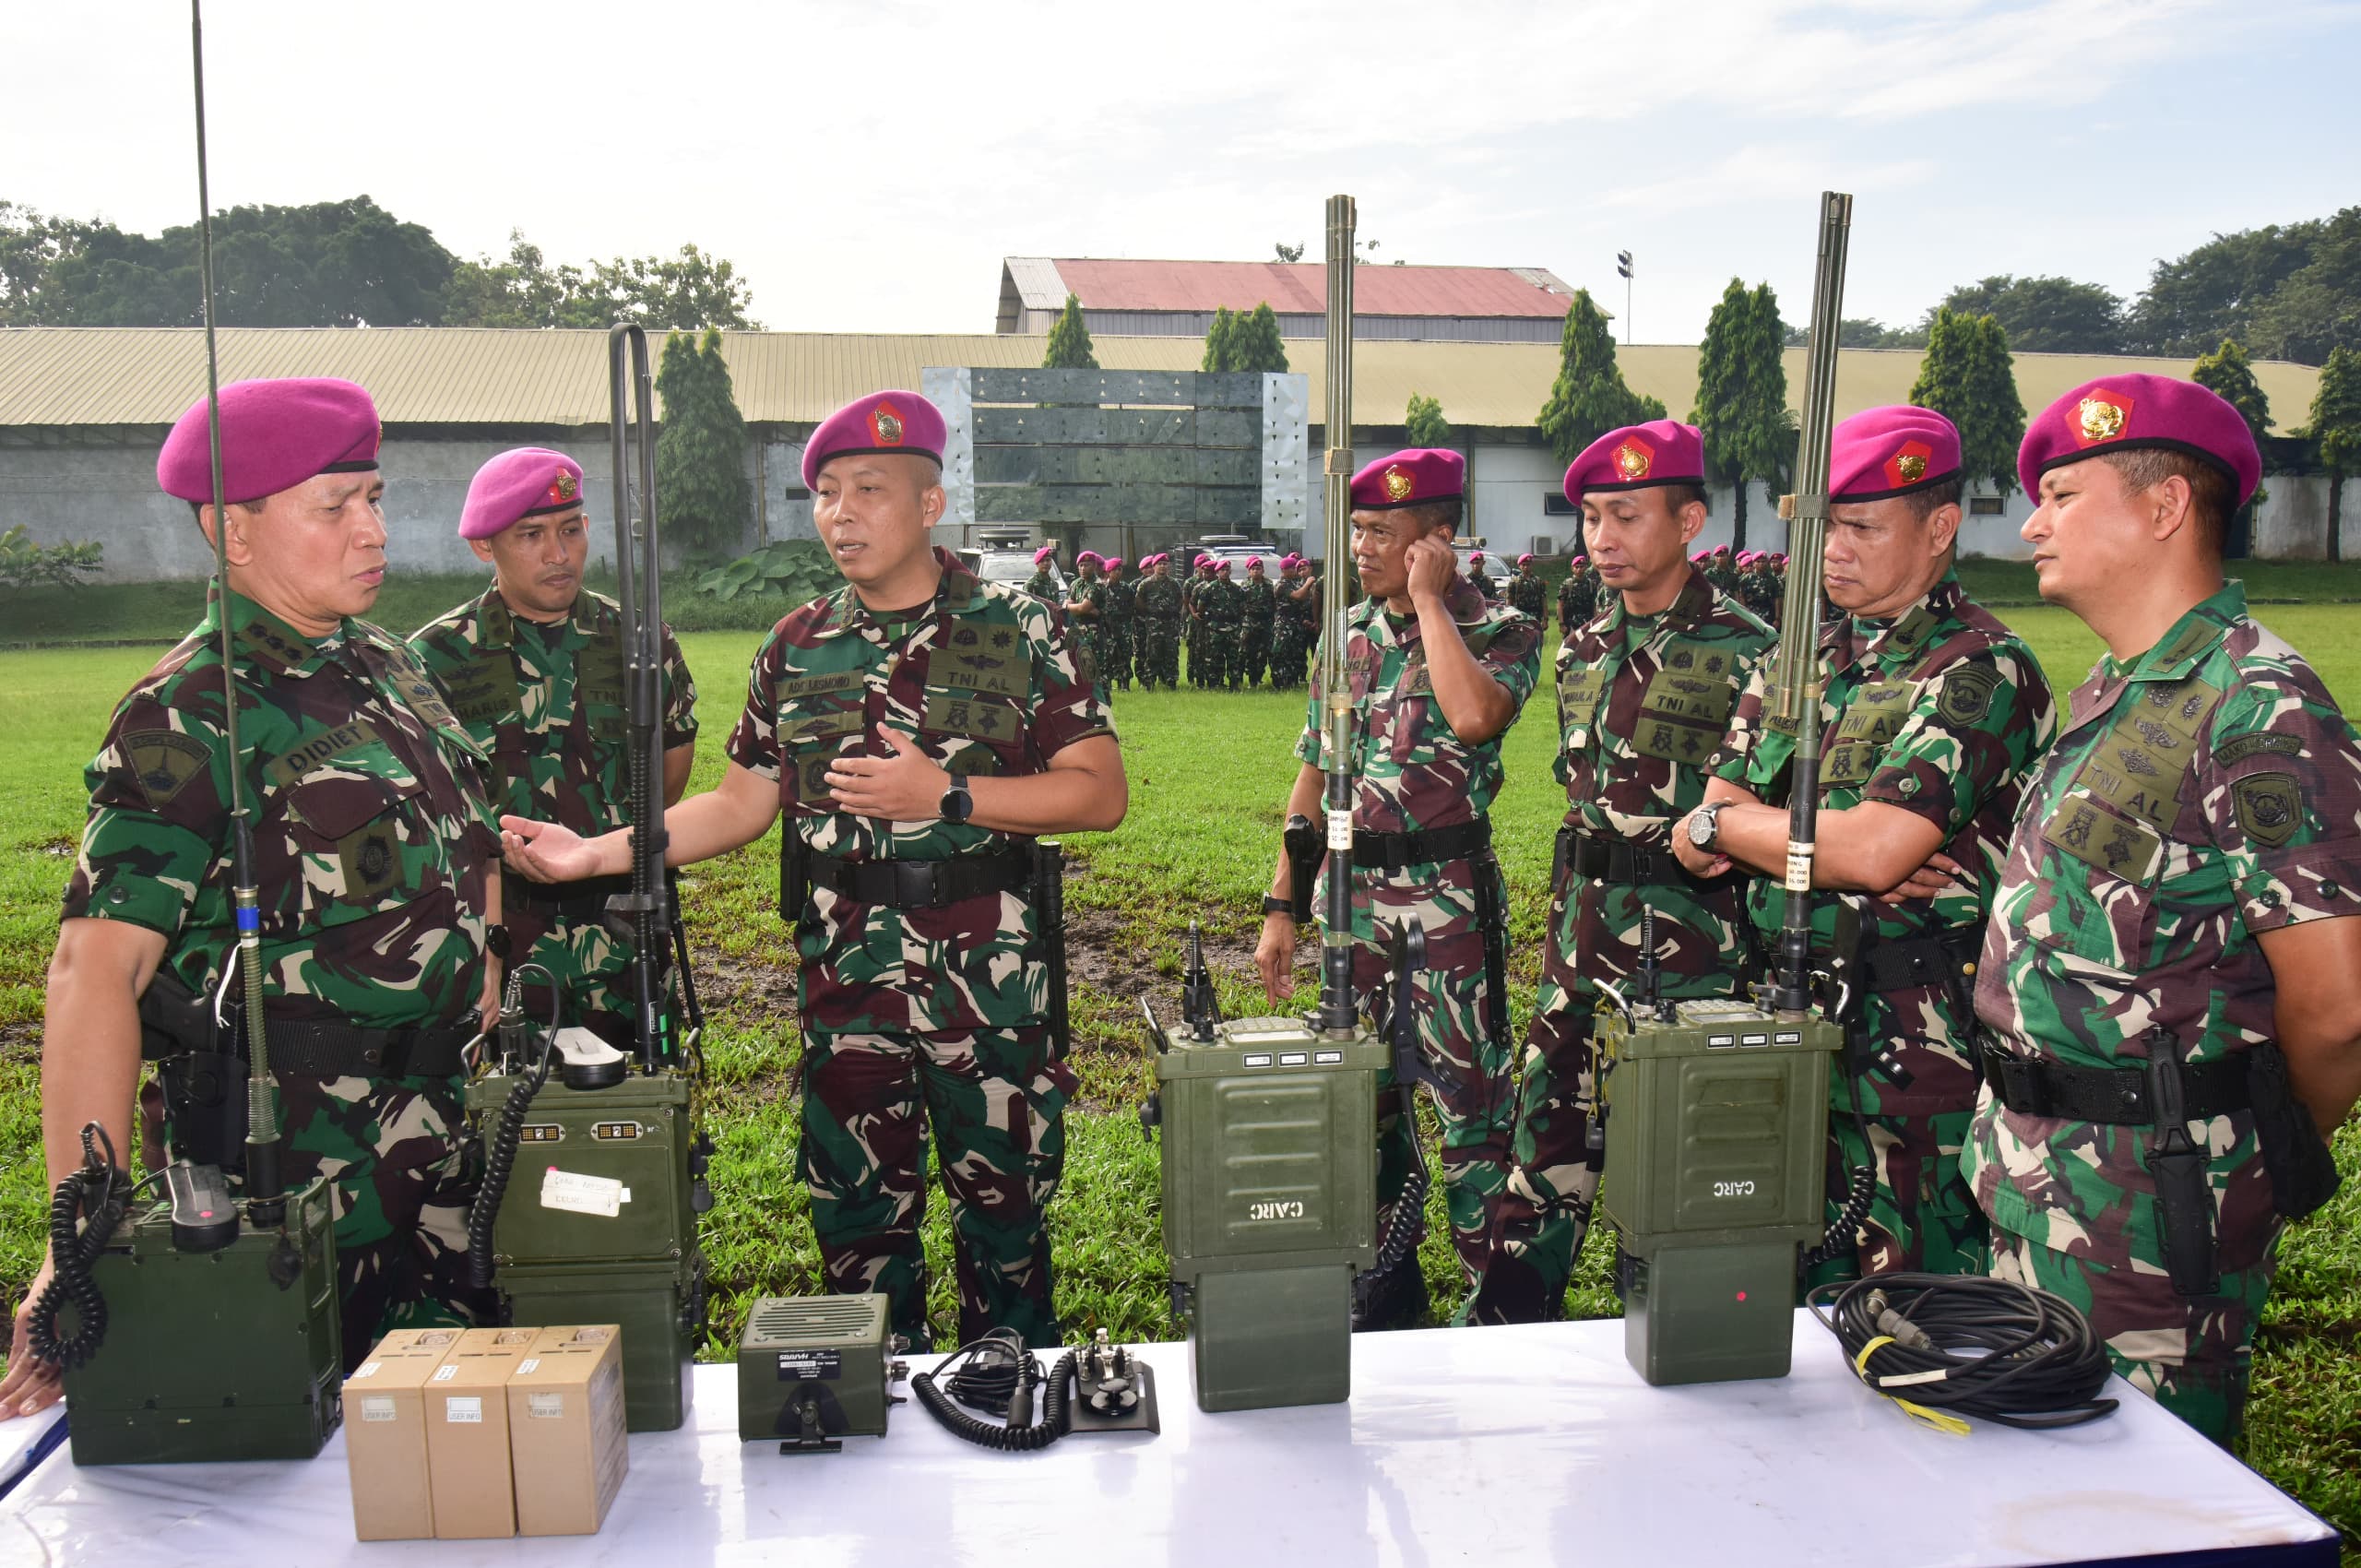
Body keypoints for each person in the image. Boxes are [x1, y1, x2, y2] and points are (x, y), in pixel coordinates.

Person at [502, 390, 1127, 1354]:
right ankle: (877, 1407)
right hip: (847, 985)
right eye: (826, 493)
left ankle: (1007, 1403)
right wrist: (595, 851)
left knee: (1006, 1224)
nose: (841, 514)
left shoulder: (1020, 625)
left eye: (868, 489)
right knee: (857, 1228)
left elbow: (1098, 792)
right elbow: (737, 804)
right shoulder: (795, 643)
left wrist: (946, 795)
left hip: (990, 988)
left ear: (929, 503)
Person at [0, 379, 502, 1419]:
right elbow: (96, 970)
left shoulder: (387, 665)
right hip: (302, 1172)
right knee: (293, 1452)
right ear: (233, 530)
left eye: (375, 497)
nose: (374, 529)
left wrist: (485, 950)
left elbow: (464, 834)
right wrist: (76, 1235)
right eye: (336, 506)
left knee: (445, 1441)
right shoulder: (189, 711)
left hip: (444, 1138)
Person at [1966, 374, 2361, 1444]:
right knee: (2040, 1484)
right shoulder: (2124, 688)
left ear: (2164, 506)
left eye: (2061, 495)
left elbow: (2335, 1009)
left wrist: (2253, 1153)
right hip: (2036, 1180)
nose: (2033, 523)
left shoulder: (2256, 703)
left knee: (2136, 1494)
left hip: (2147, 1213)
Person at [1677, 406, 2057, 1284]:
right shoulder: (1798, 661)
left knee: (1915, 1298)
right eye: (1826, 529)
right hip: (1785, 1012)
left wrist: (1742, 829)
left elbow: (1871, 854)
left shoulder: (1978, 667)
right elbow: (1703, 838)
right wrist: (1774, 835)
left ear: (1940, 528)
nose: (1834, 552)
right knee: (1789, 1284)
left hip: (1916, 1043)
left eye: (1862, 528)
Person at [1471, 421, 1774, 1322]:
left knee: (1680, 1171)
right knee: (1540, 1157)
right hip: (1580, 946)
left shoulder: (1754, 649)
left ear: (1688, 521)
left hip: (1694, 954)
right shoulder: (1585, 646)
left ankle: (1680, 1340)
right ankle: (1507, 1332)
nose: (1602, 537)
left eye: (1627, 516)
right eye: (1593, 516)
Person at [1253, 447, 1540, 1328]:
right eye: (1357, 530)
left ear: (1438, 538)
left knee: (1472, 1119)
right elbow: (1313, 774)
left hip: (1447, 911)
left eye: (1383, 532)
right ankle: (1381, 1296)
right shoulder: (1343, 634)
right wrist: (1282, 905)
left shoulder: (1502, 628)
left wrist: (1428, 602)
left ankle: (1492, 1313)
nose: (1362, 547)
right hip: (1351, 912)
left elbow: (1476, 717)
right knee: (1363, 1111)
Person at [408, 447, 697, 1043]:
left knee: (641, 1092)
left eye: (570, 530)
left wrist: (606, 848)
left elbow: (669, 776)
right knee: (508, 1093)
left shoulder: (640, 642)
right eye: (531, 535)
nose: (558, 554)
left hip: (626, 932)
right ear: (484, 545)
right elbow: (435, 818)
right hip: (502, 938)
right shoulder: (435, 657)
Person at [1063, 551, 1109, 704]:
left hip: (1093, 633)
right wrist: (1076, 607)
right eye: (1081, 565)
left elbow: (1083, 607)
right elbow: (1067, 602)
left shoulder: (1097, 586)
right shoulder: (1076, 583)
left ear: (1094, 566)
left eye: (1087, 565)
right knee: (1077, 667)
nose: (1083, 568)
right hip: (1076, 631)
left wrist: (1073, 607)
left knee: (1094, 668)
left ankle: (1102, 701)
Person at [1135, 553, 1182, 689]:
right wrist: (1149, 612)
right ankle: (1150, 681)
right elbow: (1138, 601)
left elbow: (1180, 599)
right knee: (1153, 653)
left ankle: (1171, 681)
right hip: (1154, 625)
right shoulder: (1146, 584)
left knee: (1171, 653)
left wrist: (1174, 610)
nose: (1162, 566)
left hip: (1170, 624)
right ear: (1154, 566)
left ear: (1168, 566)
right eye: (1159, 564)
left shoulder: (1174, 583)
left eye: (1165, 564)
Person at [1204, 558, 1245, 689]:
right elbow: (1201, 606)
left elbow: (1242, 607)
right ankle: (1215, 684)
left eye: (1227, 570)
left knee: (1233, 657)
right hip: (1216, 628)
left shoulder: (1236, 589)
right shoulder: (1210, 588)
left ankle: (1234, 684)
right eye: (1222, 570)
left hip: (1233, 628)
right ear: (1217, 572)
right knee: (1215, 657)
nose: (1225, 572)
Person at [1239, 555, 1277, 689]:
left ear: (1263, 570)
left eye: (1258, 568)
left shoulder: (1269, 585)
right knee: (1248, 652)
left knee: (1264, 652)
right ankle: (1250, 680)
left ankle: (1258, 677)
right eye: (1253, 569)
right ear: (1249, 571)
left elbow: (1274, 603)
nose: (1256, 571)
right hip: (1250, 623)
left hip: (1266, 623)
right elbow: (1240, 604)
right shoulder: (1244, 585)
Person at [1103, 556, 1136, 693]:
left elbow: (1132, 605)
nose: (1118, 572)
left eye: (1120, 569)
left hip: (1123, 627)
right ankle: (1108, 683)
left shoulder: (1126, 588)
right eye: (1115, 570)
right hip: (1107, 627)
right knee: (1108, 655)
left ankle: (1125, 683)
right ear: (1109, 572)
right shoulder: (1102, 588)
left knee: (1125, 654)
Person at [1557, 553, 1596, 644]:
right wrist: (1561, 623)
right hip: (1570, 623)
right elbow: (1560, 605)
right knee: (1569, 647)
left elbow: (1594, 604)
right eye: (1576, 567)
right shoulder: (1567, 584)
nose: (1579, 569)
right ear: (1572, 569)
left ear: (1586, 567)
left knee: (1586, 646)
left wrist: (1595, 621)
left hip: (1587, 622)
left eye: (1581, 567)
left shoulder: (1591, 584)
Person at [1508, 552, 1548, 622]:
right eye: (1523, 565)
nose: (1526, 567)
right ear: (1519, 566)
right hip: (1519, 617)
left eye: (1528, 565)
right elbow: (1509, 601)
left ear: (1532, 565)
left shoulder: (1538, 581)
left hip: (1536, 617)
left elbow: (1543, 600)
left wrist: (1545, 619)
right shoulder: (1514, 582)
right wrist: (1510, 617)